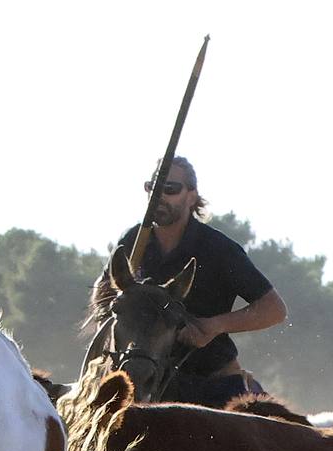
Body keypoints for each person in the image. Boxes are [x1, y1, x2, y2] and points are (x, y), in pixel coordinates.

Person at [89, 155, 287, 404]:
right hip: (139, 383)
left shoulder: (219, 249)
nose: (159, 196)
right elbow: (102, 298)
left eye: (170, 189)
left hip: (211, 383)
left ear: (192, 196)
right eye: (153, 188)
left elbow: (274, 309)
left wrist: (214, 325)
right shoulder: (133, 241)